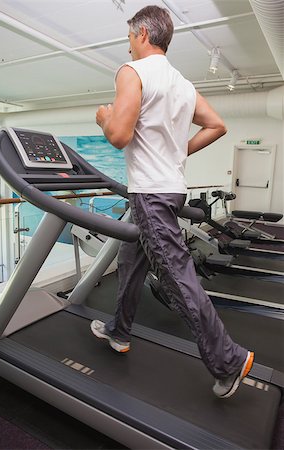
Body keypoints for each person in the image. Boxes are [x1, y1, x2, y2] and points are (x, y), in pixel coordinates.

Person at [91, 5, 254, 398]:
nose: (128, 46)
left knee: (177, 276)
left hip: (148, 192)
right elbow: (217, 125)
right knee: (130, 263)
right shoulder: (181, 83)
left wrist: (103, 117)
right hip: (170, 187)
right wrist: (177, 153)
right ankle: (118, 331)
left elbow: (118, 135)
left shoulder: (132, 73)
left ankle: (228, 360)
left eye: (130, 37)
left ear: (143, 34)